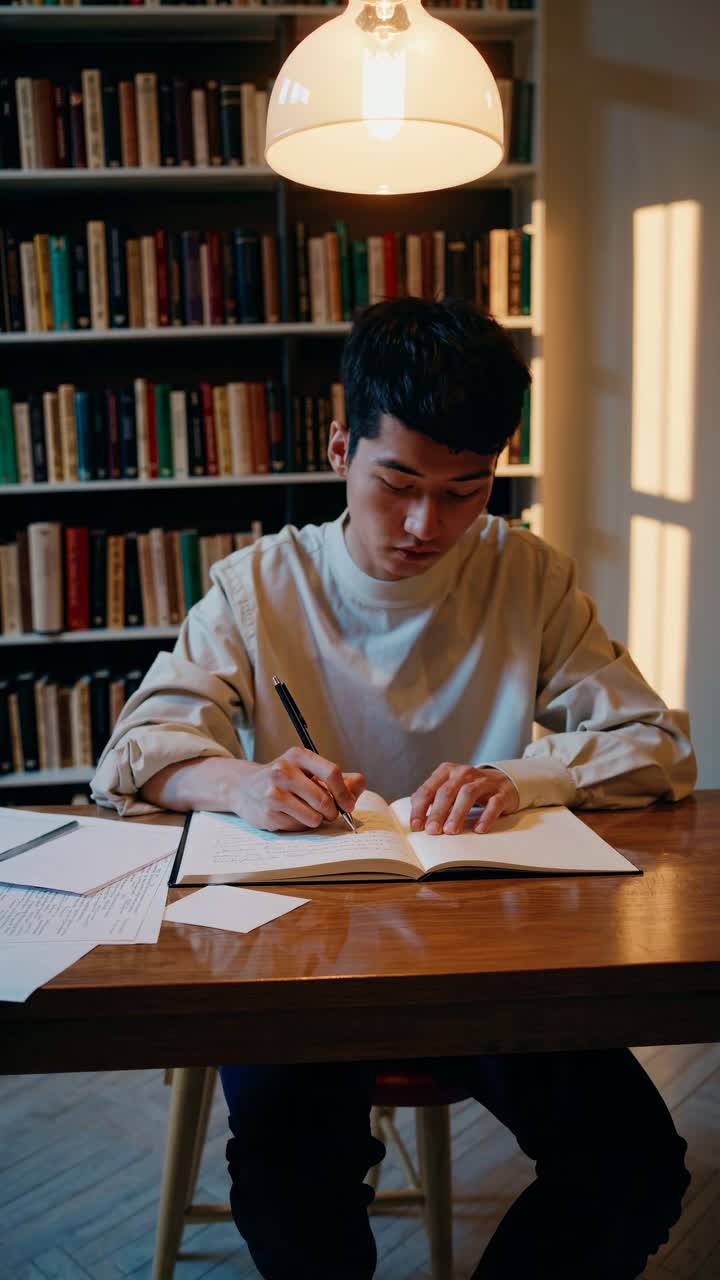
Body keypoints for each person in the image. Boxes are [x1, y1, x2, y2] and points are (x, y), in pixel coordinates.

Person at [92, 297, 696, 1279]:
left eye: (466, 488)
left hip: (483, 948)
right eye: (399, 481)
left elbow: (657, 746)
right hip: (295, 951)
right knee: (293, 1182)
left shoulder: (525, 574)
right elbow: (136, 751)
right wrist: (244, 780)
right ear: (340, 445)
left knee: (633, 1166)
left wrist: (519, 774)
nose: (429, 523)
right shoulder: (259, 584)